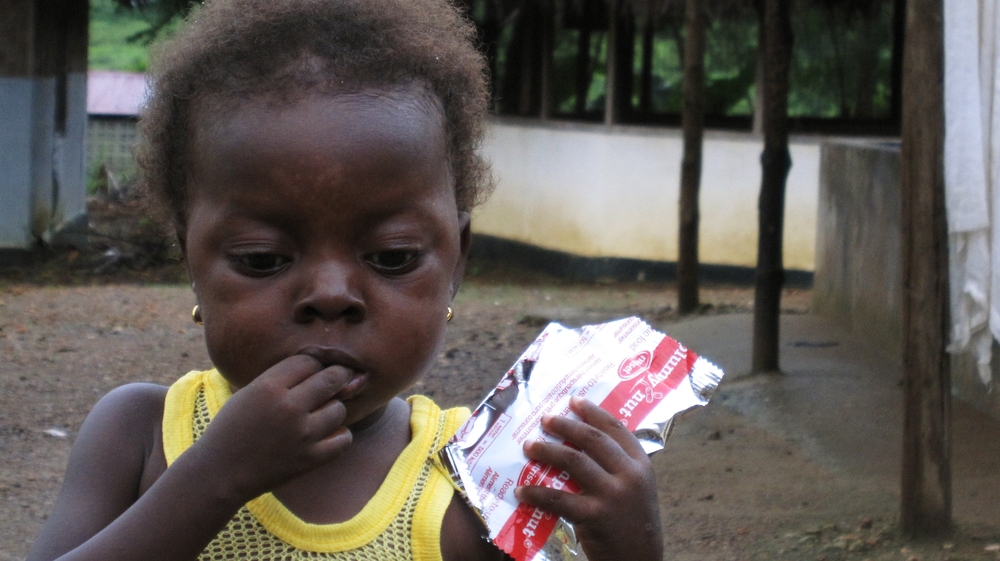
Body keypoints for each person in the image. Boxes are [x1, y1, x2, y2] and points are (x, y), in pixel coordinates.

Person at [26, 1, 664, 559]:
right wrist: (214, 476)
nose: (331, 295)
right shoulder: (139, 435)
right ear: (190, 258)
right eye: (262, 258)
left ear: (457, 260)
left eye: (392, 257)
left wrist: (633, 552)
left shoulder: (476, 482)